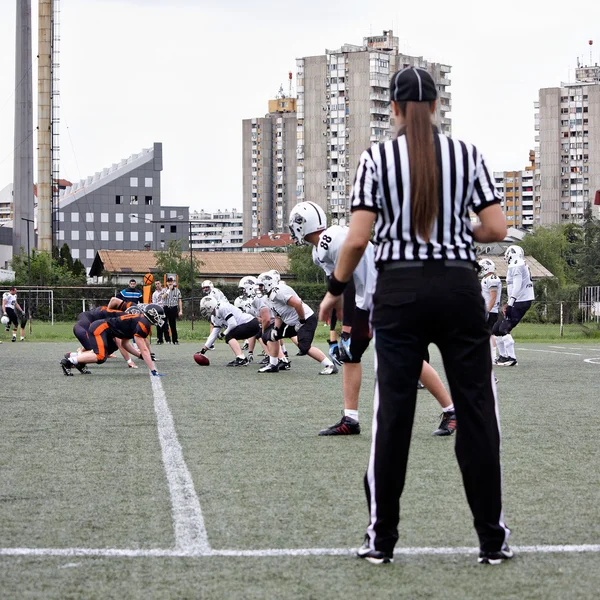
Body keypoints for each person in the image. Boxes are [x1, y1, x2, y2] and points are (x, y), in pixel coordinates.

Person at [319, 67, 511, 565]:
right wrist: (450, 228)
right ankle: (492, 540)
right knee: (476, 411)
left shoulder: (376, 159)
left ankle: (381, 541)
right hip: (457, 286)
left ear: (397, 109)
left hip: (399, 291)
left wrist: (335, 289)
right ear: (438, 106)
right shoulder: (468, 155)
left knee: (394, 414)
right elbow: (495, 227)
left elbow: (358, 239)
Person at [290, 201, 456, 437]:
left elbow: (346, 273)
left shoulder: (332, 237)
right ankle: (350, 419)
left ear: (300, 223)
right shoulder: (318, 251)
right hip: (366, 300)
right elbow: (337, 286)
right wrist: (338, 328)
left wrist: (345, 322)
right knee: (351, 354)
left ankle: (451, 411)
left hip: (388, 294)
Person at [257, 272, 337, 375]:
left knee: (304, 347)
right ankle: (273, 365)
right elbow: (278, 315)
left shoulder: (280, 292)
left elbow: (298, 304)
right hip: (292, 322)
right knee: (270, 335)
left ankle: (330, 365)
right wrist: (276, 329)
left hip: (306, 319)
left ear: (268, 284)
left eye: (261, 285)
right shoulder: (267, 298)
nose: (259, 288)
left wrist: (301, 321)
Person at [61, 304, 164, 376]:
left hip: (105, 329)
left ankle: (80, 362)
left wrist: (139, 356)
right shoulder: (143, 324)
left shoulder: (139, 321)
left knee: (107, 351)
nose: (159, 319)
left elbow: (125, 344)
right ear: (152, 314)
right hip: (100, 328)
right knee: (100, 356)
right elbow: (144, 350)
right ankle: (69, 361)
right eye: (158, 317)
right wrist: (153, 370)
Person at [493, 245, 534, 367]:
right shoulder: (519, 264)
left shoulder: (517, 265)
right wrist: (509, 303)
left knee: (504, 328)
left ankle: (511, 358)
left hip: (520, 301)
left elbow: (517, 286)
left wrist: (511, 303)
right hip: (518, 300)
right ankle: (503, 356)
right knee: (496, 329)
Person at [197, 296, 259, 366]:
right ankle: (241, 358)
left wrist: (223, 334)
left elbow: (233, 324)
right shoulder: (214, 317)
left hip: (250, 323)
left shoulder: (222, 307)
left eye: (205, 309)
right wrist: (203, 350)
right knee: (229, 335)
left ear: (210, 306)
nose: (204, 311)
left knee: (229, 336)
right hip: (248, 324)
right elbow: (214, 334)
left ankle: (241, 359)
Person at [479, 258, 502, 363]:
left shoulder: (492, 279)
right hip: (489, 309)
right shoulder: (486, 278)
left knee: (489, 334)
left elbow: (493, 297)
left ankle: (492, 358)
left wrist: (486, 311)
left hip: (491, 311)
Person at [163, 276, 183, 345]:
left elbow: (179, 300)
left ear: (173, 282)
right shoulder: (164, 290)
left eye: (171, 282)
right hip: (166, 307)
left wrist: (180, 310)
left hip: (173, 308)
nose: (170, 283)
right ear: (166, 283)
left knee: (173, 325)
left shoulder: (177, 290)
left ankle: (175, 340)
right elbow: (163, 297)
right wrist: (168, 290)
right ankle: (167, 339)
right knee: (165, 324)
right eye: (168, 282)